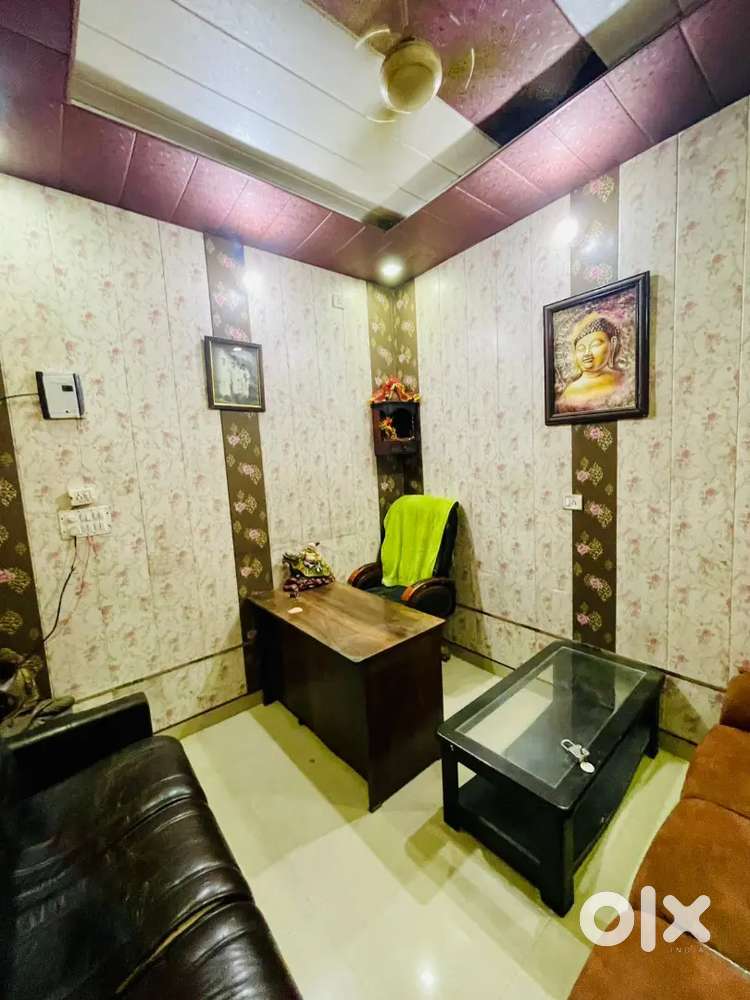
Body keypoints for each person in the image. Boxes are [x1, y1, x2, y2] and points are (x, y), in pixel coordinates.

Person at [556, 313, 632, 413]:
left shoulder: (625, 380)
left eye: (595, 345)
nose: (587, 353)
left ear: (612, 344)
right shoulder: (571, 393)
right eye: (581, 349)